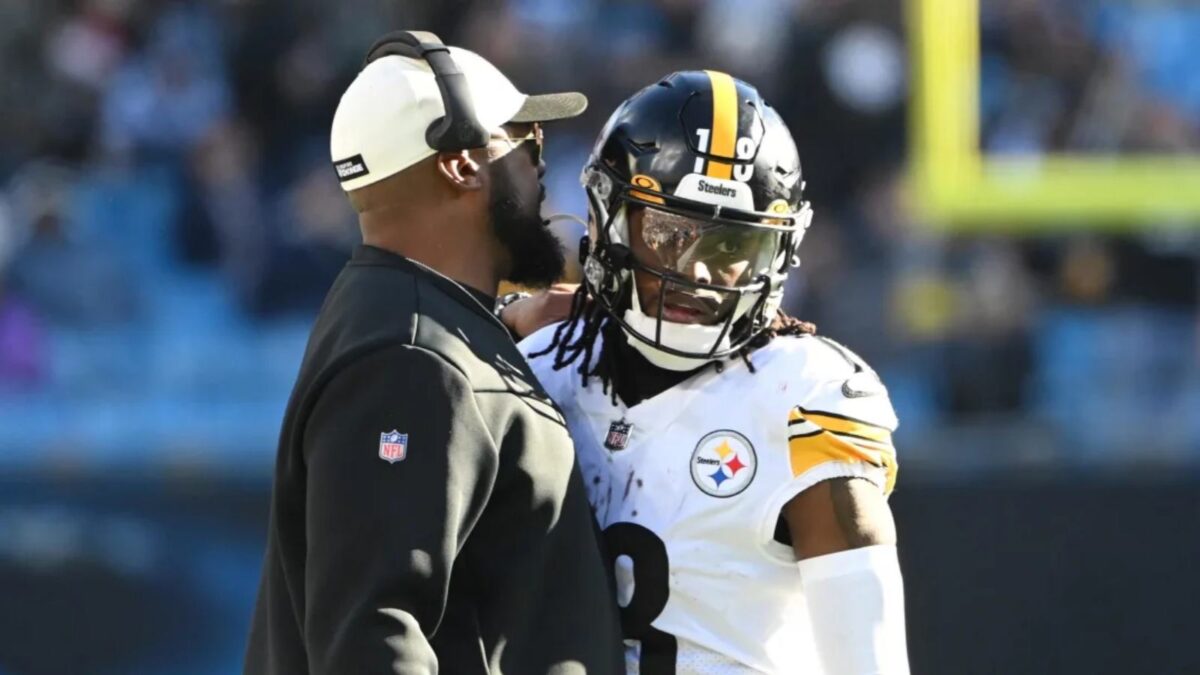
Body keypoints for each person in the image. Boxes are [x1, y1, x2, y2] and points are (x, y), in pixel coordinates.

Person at [244, 32, 623, 675]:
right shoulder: (414, 360)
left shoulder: (402, 320)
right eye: (528, 144)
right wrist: (461, 359)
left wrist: (491, 333)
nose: (540, 169)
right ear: (461, 166)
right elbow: (374, 638)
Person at [511, 71, 910, 674]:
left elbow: (870, 665)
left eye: (730, 248)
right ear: (605, 220)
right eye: (669, 234)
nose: (697, 273)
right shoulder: (542, 367)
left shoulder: (799, 395)